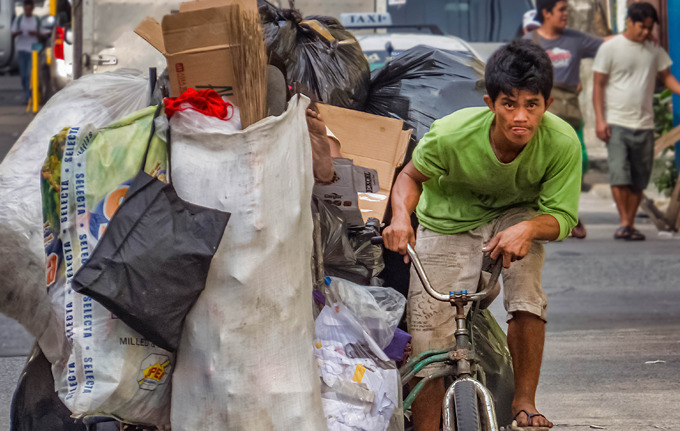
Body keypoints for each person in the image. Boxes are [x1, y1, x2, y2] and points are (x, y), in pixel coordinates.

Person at [382, 39, 581, 429]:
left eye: (531, 105)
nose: (520, 117)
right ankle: (426, 425)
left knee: (526, 292)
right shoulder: (451, 134)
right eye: (509, 104)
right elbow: (409, 176)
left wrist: (528, 228)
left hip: (516, 215)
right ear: (491, 104)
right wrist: (401, 217)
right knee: (427, 331)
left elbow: (562, 216)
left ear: (547, 105)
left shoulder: (562, 143)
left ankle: (523, 402)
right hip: (448, 219)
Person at [593, 2, 680, 241]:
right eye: (643, 27)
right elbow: (598, 85)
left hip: (645, 123)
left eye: (650, 28)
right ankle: (624, 222)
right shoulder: (610, 48)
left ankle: (628, 224)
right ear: (629, 21)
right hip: (616, 121)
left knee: (639, 177)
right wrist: (600, 120)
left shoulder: (654, 51)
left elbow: (667, 77)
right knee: (620, 175)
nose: (646, 33)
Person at [524, 0, 605, 239]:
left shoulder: (575, 39)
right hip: (541, 117)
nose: (565, 15)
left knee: (578, 162)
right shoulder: (530, 43)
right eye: (561, 11)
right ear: (546, 13)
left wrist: (629, 38)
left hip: (570, 115)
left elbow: (605, 45)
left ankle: (566, 211)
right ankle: (554, 215)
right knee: (541, 164)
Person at [11, 0, 40, 104]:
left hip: (33, 51)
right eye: (26, 8)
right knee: (23, 75)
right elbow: (12, 33)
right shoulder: (19, 19)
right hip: (21, 49)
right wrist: (17, 33)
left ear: (32, 8)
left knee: (29, 75)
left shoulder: (36, 19)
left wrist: (36, 34)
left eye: (29, 8)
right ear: (24, 8)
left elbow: (44, 34)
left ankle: (30, 97)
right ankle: (27, 93)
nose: (27, 10)